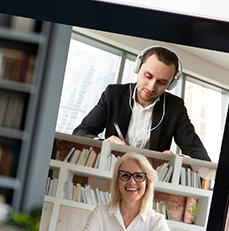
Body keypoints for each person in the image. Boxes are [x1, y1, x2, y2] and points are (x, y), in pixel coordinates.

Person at [71, 46, 211, 162]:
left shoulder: (175, 107)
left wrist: (176, 159)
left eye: (162, 82)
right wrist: (104, 143)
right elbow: (80, 133)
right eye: (148, 76)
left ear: (171, 84)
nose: (151, 87)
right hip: (111, 167)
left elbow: (200, 157)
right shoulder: (114, 94)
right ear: (138, 68)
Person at [75, 152, 175, 231]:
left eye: (139, 176)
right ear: (118, 182)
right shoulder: (100, 212)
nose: (131, 181)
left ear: (147, 184)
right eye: (125, 175)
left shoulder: (158, 223)